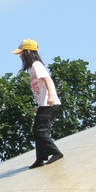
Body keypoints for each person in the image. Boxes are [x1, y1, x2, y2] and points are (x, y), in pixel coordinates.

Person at [13, 40, 64, 168]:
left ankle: (56, 152)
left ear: (28, 52)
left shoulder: (36, 65)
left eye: (22, 53)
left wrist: (52, 96)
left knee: (39, 130)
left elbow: (48, 80)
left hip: (49, 102)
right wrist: (40, 105)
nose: (20, 56)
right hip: (44, 103)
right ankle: (40, 158)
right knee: (38, 130)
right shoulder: (32, 68)